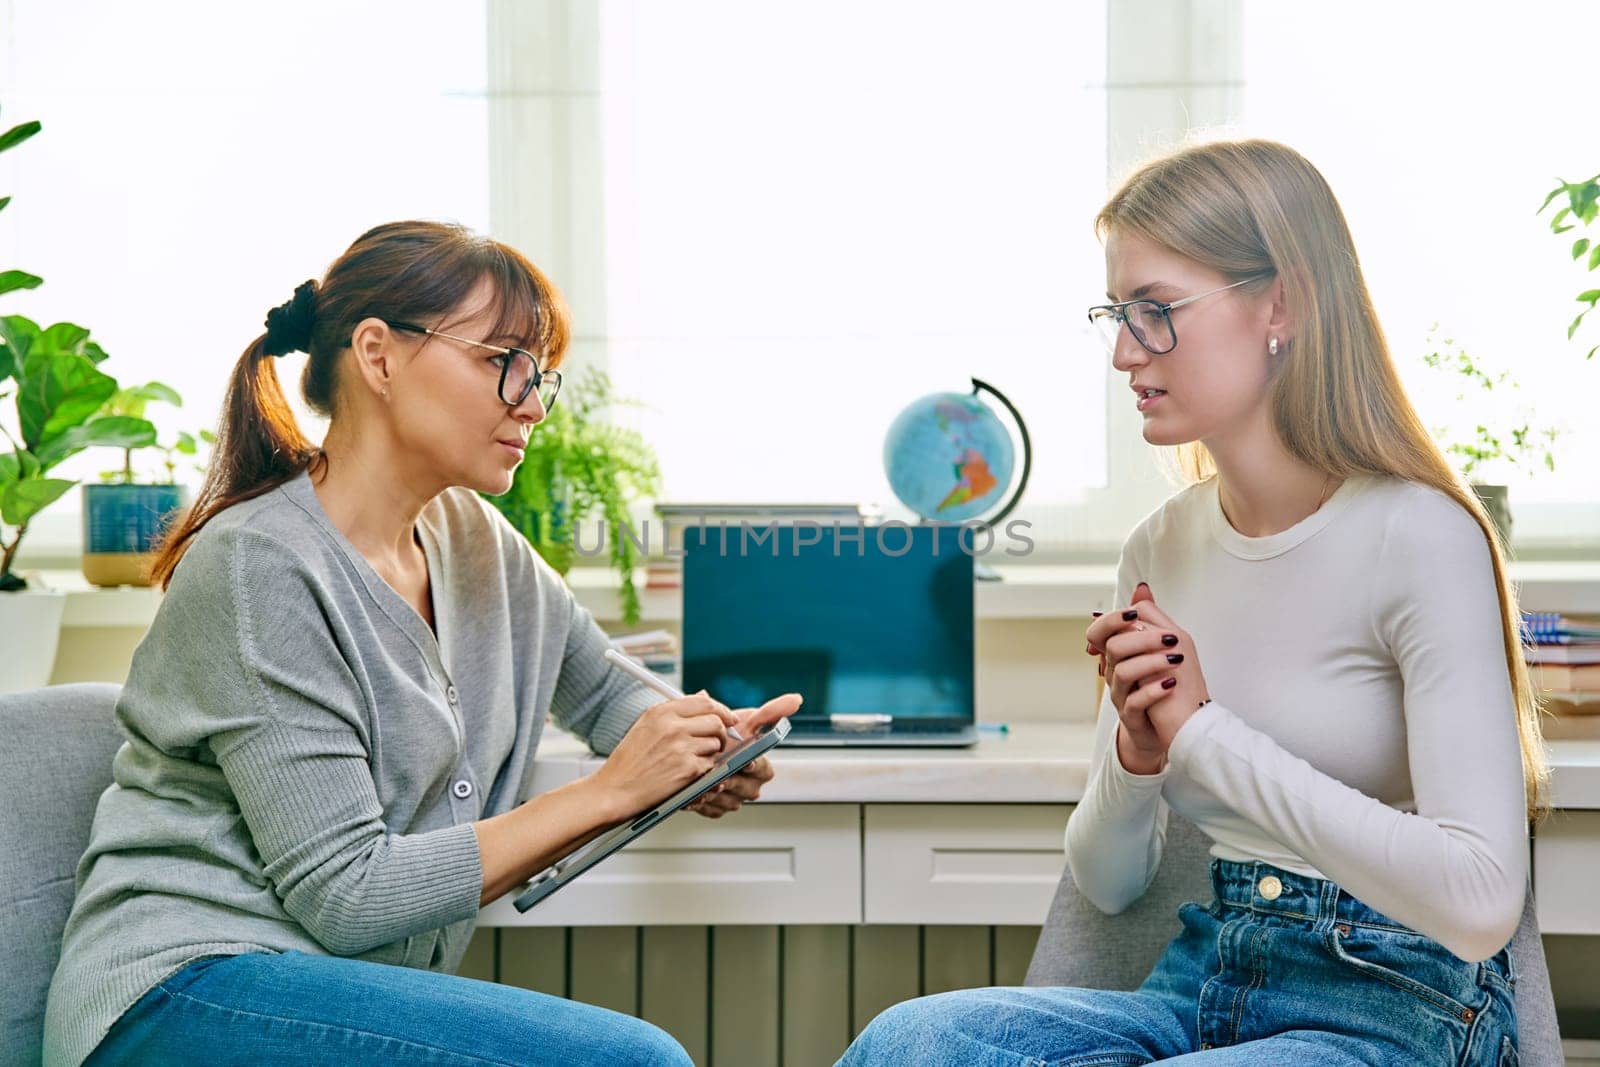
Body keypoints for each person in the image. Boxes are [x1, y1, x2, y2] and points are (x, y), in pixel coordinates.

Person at [839, 139, 1544, 1066]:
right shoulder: (1160, 547)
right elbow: (1110, 881)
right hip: (1207, 976)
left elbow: (1483, 895)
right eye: (1117, 315)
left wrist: (1205, 732)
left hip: (1398, 1001)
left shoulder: (1421, 537)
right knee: (912, 1044)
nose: (1126, 352)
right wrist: (1138, 755)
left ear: (1280, 303)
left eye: (1157, 311)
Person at [43, 220, 802, 1067]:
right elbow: (349, 892)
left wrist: (700, 745)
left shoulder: (469, 534)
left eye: (540, 374)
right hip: (185, 988)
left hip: (325, 984)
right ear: (378, 355)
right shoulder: (259, 565)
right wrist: (612, 791)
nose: (531, 402)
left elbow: (597, 686)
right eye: (502, 361)